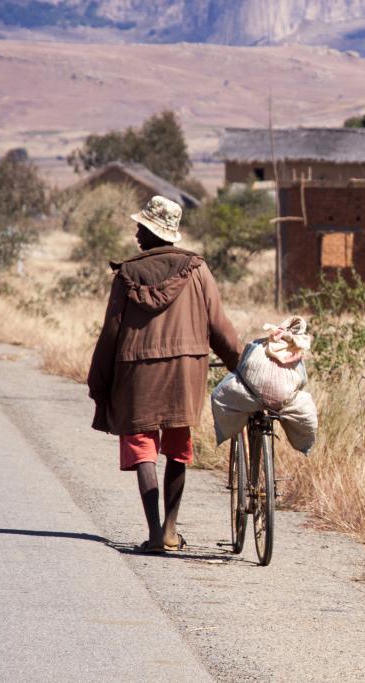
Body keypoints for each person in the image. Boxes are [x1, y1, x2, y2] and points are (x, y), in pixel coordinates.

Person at [88, 195, 242, 553]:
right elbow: (219, 326)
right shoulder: (197, 269)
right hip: (184, 371)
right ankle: (172, 532)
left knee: (143, 449)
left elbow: (111, 334)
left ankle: (155, 535)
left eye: (141, 227)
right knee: (177, 447)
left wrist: (100, 382)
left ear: (151, 232)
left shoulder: (127, 274)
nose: (136, 233)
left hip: (135, 374)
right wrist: (240, 365)